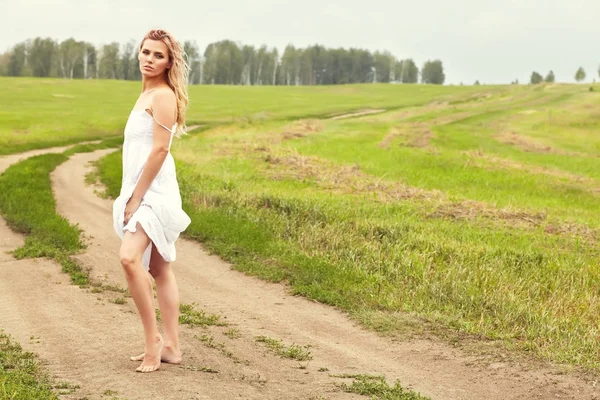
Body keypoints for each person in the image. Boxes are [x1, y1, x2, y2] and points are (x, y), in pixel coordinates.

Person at [112, 29, 191, 373]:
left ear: (170, 61)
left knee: (130, 258)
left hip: (153, 190)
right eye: (145, 52)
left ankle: (153, 342)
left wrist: (137, 196)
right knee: (158, 268)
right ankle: (172, 346)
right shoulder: (145, 93)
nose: (149, 59)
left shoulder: (163, 96)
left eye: (158, 55)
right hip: (142, 186)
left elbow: (161, 148)